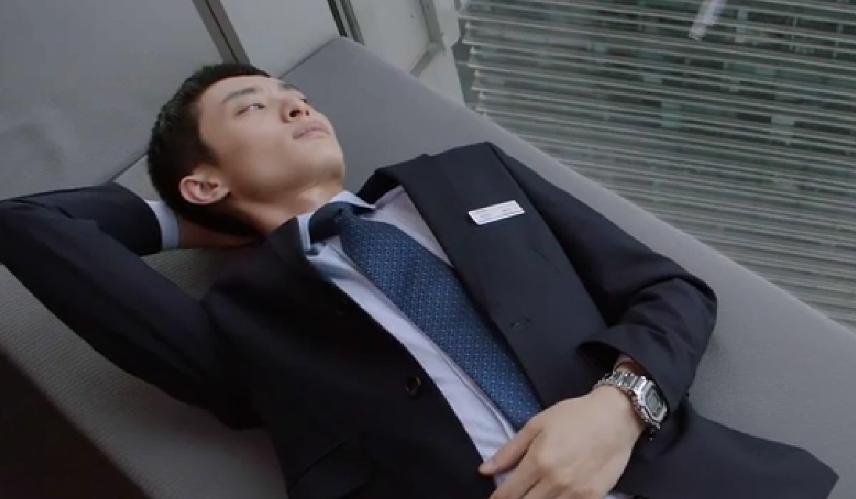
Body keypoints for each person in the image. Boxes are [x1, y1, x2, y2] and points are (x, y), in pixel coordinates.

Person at [0, 64, 836, 499]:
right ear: (205, 178)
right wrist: (202, 219)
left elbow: (671, 291)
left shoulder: (471, 174)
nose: (296, 105)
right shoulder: (239, 321)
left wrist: (619, 408)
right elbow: (30, 225)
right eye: (253, 106)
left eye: (295, 94)